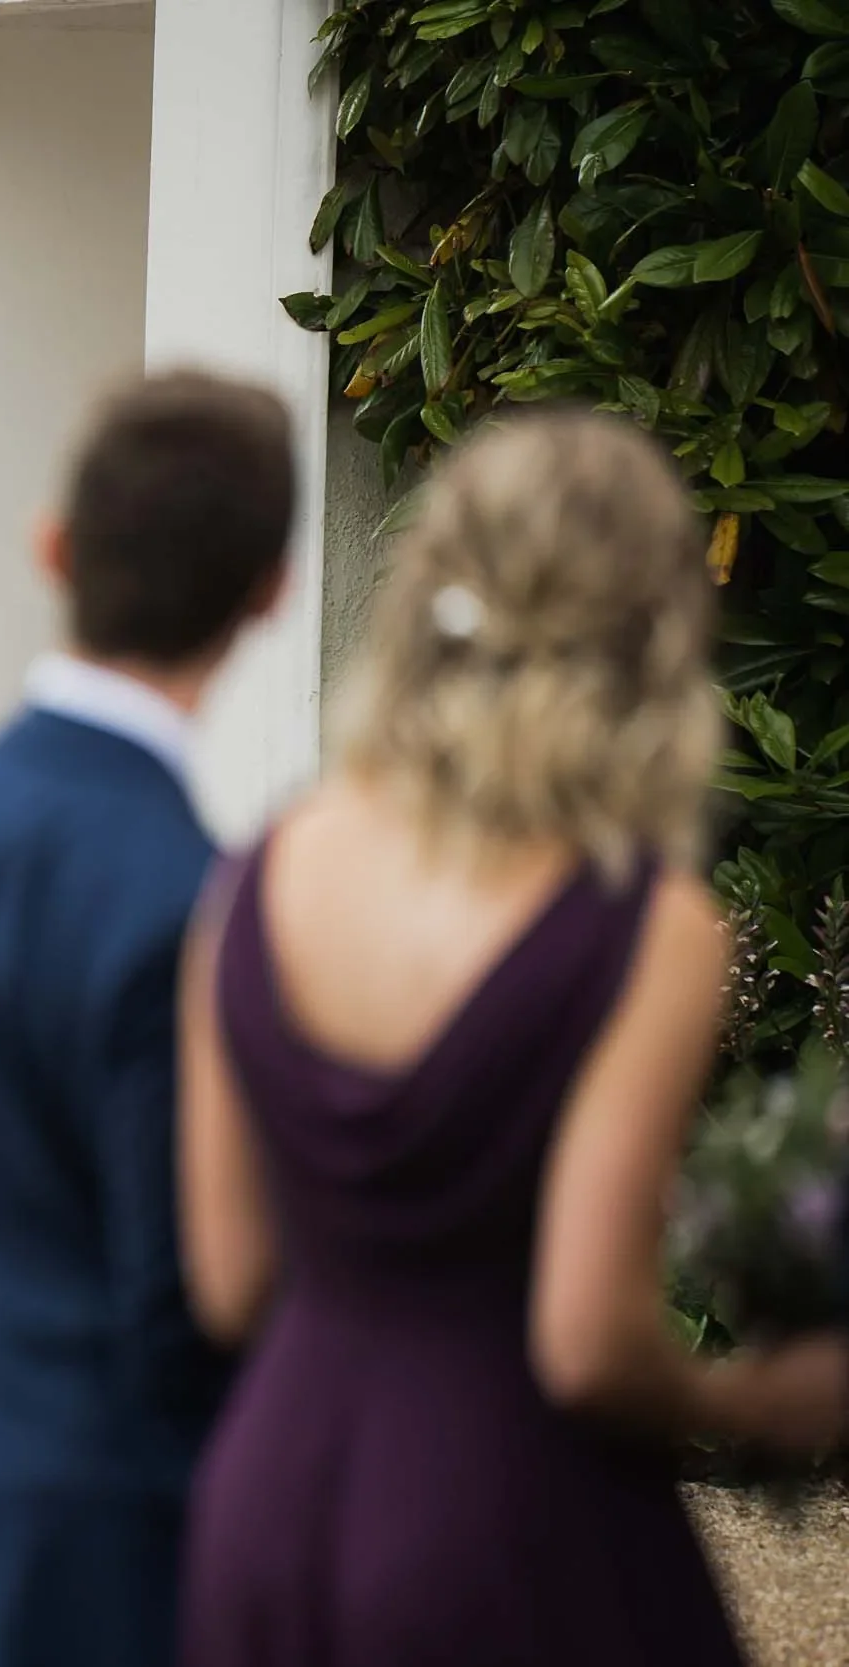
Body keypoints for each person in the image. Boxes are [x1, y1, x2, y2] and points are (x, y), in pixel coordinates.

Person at [177, 411, 849, 1666]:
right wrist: (762, 1396)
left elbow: (226, 1279)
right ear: (649, 638)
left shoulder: (256, 875)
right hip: (501, 1522)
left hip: (264, 1506)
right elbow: (586, 1341)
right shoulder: (648, 928)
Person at [0, 371, 296, 1666]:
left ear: (55, 546)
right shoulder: (204, 899)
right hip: (128, 1529)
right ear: (270, 589)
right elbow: (183, 1296)